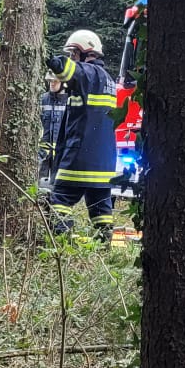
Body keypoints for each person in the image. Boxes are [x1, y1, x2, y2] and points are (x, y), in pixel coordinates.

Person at [47, 29, 119, 244]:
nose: (72, 58)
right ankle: (103, 246)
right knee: (100, 207)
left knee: (59, 198)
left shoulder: (87, 73)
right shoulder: (108, 80)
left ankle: (62, 244)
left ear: (83, 52)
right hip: (105, 162)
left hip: (80, 156)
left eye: (73, 53)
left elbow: (62, 67)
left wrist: (47, 56)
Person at [39, 72, 68, 186]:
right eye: (50, 81)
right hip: (43, 152)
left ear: (63, 83)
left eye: (55, 81)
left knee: (58, 185)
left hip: (61, 152)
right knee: (40, 184)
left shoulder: (69, 101)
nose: (52, 84)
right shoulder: (43, 99)